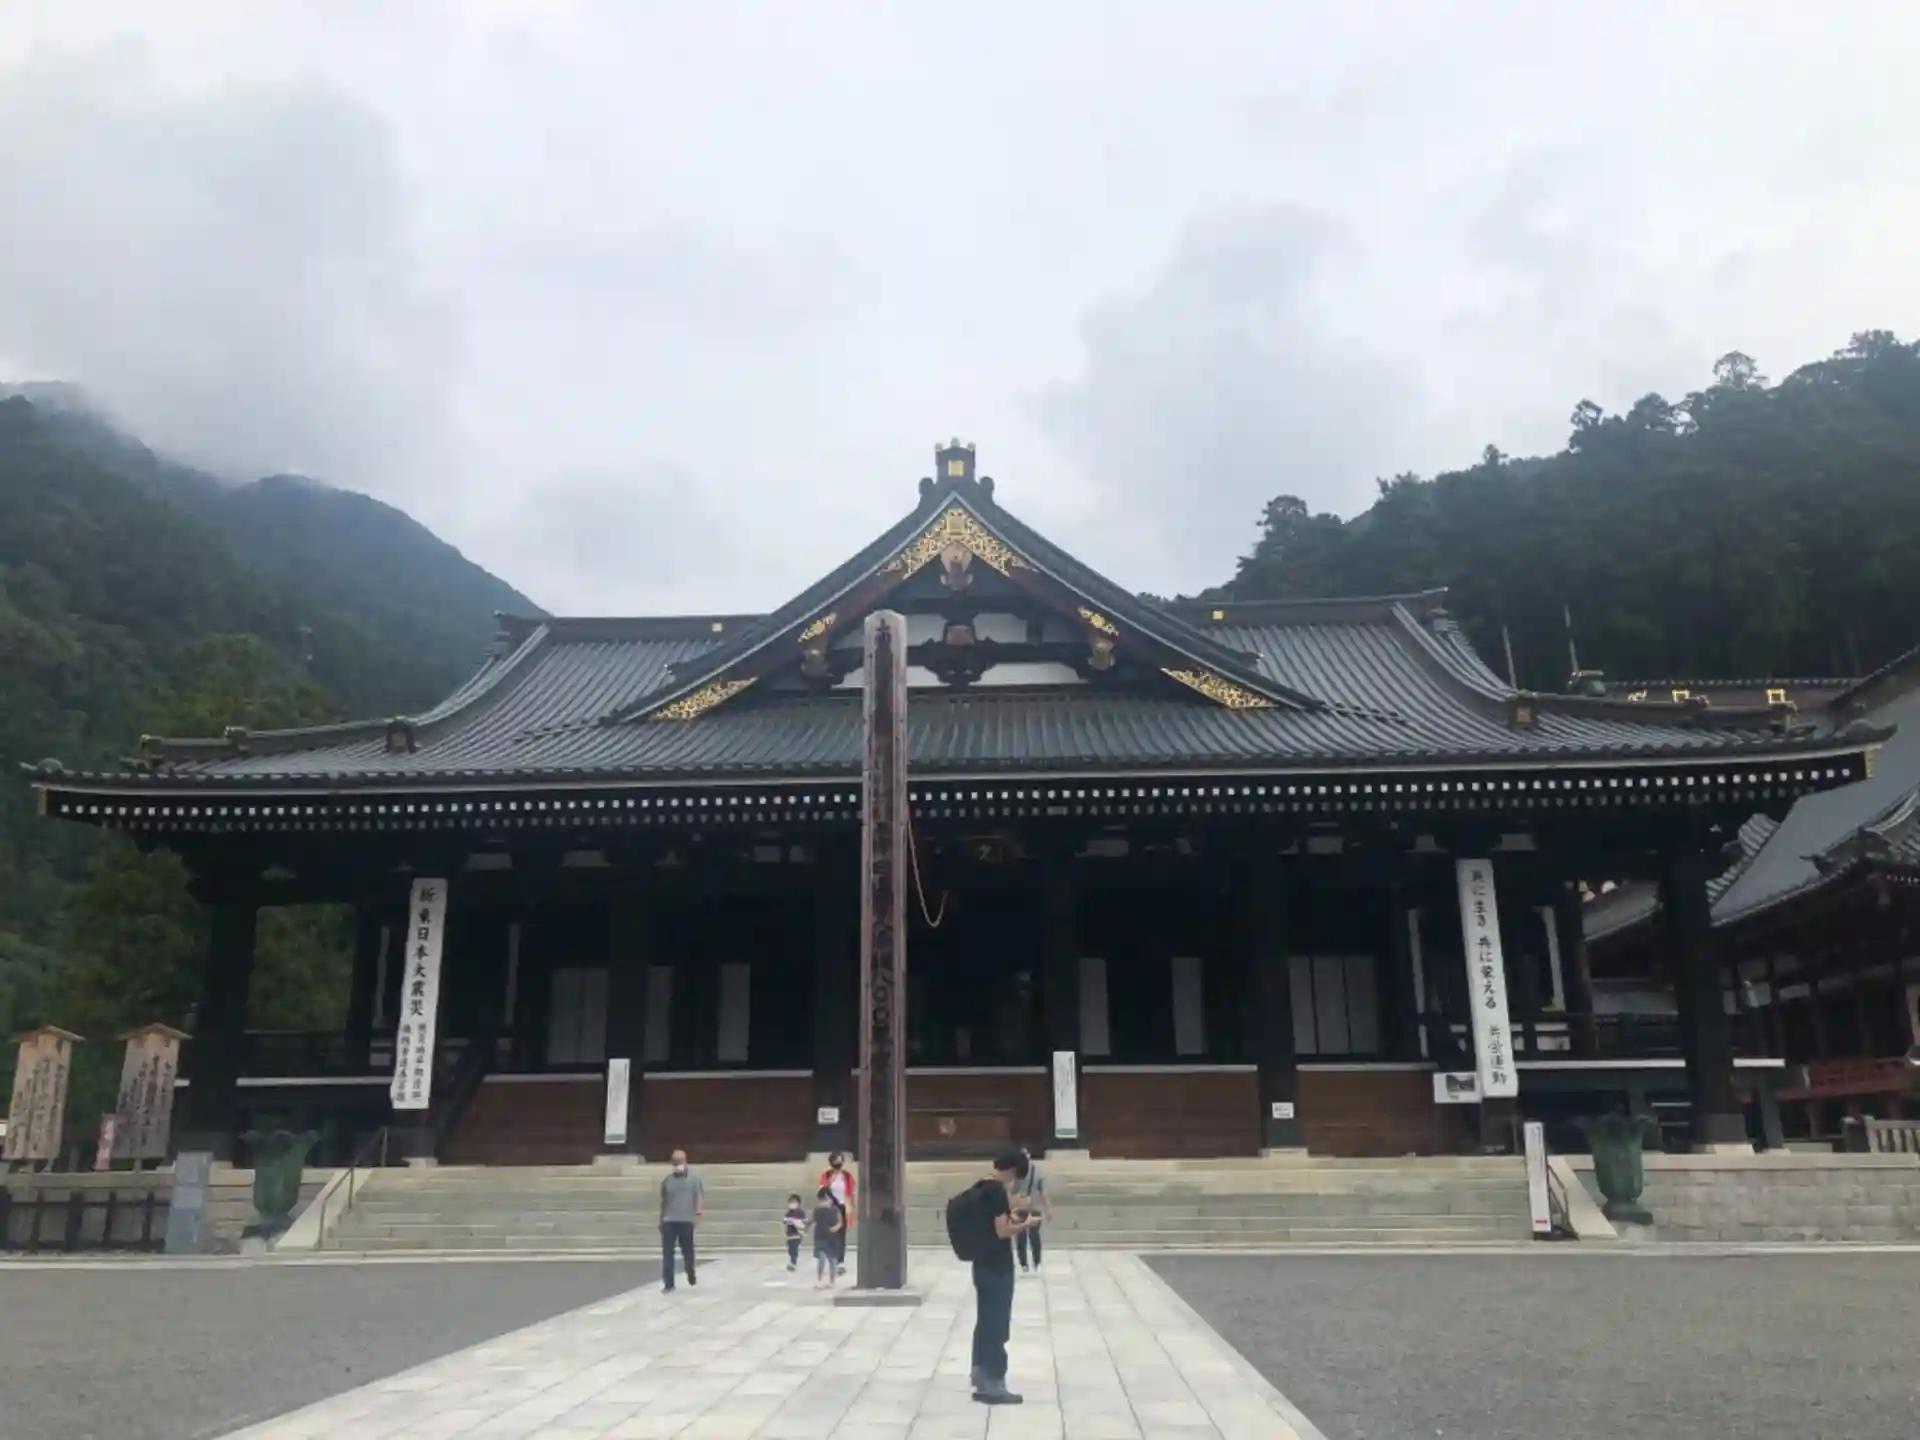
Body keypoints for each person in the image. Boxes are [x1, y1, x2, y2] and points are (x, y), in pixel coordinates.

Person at [965, 1149, 1039, 1405]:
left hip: (981, 1263)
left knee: (985, 1320)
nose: (1015, 1183)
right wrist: (1026, 1225)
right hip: (997, 1265)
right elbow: (1001, 1231)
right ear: (1011, 1171)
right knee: (997, 1324)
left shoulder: (980, 1186)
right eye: (1017, 1177)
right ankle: (993, 1383)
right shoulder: (996, 1191)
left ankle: (979, 1373)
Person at [658, 1148, 703, 1292]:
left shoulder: (694, 1179)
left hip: (686, 1220)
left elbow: (698, 1195)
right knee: (667, 1253)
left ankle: (690, 1272)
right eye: (675, 1162)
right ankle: (669, 1284)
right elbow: (664, 1201)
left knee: (688, 1251)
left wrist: (698, 1212)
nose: (678, 1165)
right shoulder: (668, 1180)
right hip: (669, 1220)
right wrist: (661, 1219)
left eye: (680, 1161)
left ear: (685, 1161)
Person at [1012, 1146, 1052, 1274]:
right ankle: (1035, 1262)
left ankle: (1025, 1263)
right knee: (1032, 1235)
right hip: (1033, 1206)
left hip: (1022, 1206)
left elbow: (1013, 1190)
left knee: (1023, 1235)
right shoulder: (1037, 1170)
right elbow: (1043, 1191)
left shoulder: (1017, 1170)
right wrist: (1048, 1208)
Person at [820, 1150, 855, 1275]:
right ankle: (832, 1258)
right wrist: (830, 1181)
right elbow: (822, 1192)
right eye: (836, 1160)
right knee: (831, 1235)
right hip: (831, 1207)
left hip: (843, 1206)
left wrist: (851, 1208)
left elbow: (851, 1193)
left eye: (840, 1160)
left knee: (841, 1235)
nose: (838, 1162)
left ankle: (840, 1262)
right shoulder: (827, 1175)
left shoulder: (847, 1176)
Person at [810, 1185, 844, 1289]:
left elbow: (840, 1222)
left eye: (825, 1199)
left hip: (832, 1237)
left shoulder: (835, 1210)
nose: (823, 1202)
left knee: (832, 1259)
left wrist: (835, 1228)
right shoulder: (817, 1210)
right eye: (822, 1200)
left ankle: (832, 1281)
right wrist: (806, 1227)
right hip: (820, 1236)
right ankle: (819, 1279)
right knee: (821, 1258)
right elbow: (812, 1220)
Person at [781, 1192, 806, 1272]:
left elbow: (803, 1222)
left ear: (798, 1203)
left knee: (794, 1248)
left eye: (794, 1202)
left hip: (797, 1234)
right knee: (790, 1249)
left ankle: (793, 1263)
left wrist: (797, 1223)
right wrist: (784, 1231)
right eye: (791, 1202)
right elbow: (784, 1222)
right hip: (789, 1234)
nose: (792, 1204)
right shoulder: (788, 1213)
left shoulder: (800, 1212)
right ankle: (793, 1259)